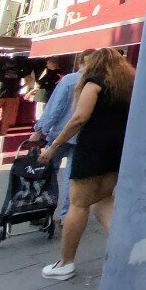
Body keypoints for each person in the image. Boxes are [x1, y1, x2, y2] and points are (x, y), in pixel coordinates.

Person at [38, 48, 134, 281]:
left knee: (78, 204)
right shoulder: (128, 86)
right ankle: (128, 248)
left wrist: (54, 146)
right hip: (117, 148)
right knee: (103, 199)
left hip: (92, 148)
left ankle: (65, 262)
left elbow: (79, 118)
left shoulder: (94, 83)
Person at [28, 50, 94, 225]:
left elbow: (55, 107)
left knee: (48, 172)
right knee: (72, 177)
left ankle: (42, 211)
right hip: (82, 135)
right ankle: (67, 215)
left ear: (80, 62)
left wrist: (41, 129)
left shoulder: (69, 80)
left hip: (59, 132)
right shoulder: (96, 83)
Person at [0, 58, 33, 136]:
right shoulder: (18, 72)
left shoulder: (1, 72)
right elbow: (30, 79)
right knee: (7, 116)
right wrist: (22, 86)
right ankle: (3, 133)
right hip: (13, 95)